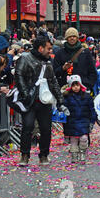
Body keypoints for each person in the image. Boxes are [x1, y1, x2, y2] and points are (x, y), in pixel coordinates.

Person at [15, 35, 65, 166]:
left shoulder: (48, 62)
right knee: (27, 127)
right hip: (29, 101)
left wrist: (60, 100)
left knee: (46, 129)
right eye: (48, 48)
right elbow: (19, 77)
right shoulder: (24, 58)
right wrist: (25, 95)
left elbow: (53, 82)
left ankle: (44, 155)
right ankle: (24, 155)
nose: (51, 51)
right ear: (41, 48)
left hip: (45, 101)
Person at [63, 75, 96, 163]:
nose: (76, 87)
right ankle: (74, 155)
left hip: (84, 121)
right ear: (70, 87)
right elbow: (62, 107)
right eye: (73, 85)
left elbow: (92, 109)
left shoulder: (87, 97)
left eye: (77, 85)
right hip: (72, 122)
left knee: (84, 138)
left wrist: (92, 120)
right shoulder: (67, 97)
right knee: (73, 140)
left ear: (80, 85)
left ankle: (82, 152)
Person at [53, 27, 98, 92]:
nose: (72, 38)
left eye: (74, 36)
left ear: (77, 38)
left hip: (83, 89)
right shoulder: (59, 53)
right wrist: (62, 68)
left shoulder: (86, 52)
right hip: (66, 90)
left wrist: (87, 85)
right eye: (70, 36)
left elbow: (92, 72)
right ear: (66, 38)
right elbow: (54, 73)